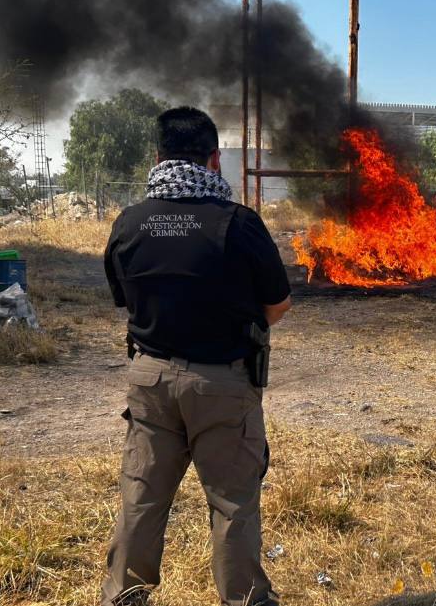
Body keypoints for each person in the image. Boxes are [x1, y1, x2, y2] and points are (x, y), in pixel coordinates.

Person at [102, 107, 291, 606]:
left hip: (150, 382)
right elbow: (278, 303)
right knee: (233, 506)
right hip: (222, 385)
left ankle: (124, 596)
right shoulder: (240, 224)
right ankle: (244, 600)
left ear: (158, 156)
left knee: (141, 501)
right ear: (215, 159)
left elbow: (126, 299)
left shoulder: (129, 223)